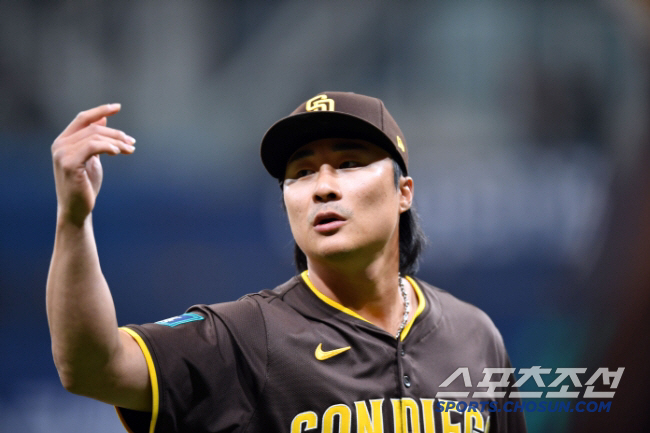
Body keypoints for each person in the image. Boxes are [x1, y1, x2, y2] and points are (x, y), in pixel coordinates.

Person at [47, 92, 527, 432]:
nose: (323, 187)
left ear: (403, 193)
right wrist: (73, 219)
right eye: (301, 172)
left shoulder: (474, 335)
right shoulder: (247, 337)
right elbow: (92, 367)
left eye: (349, 163)